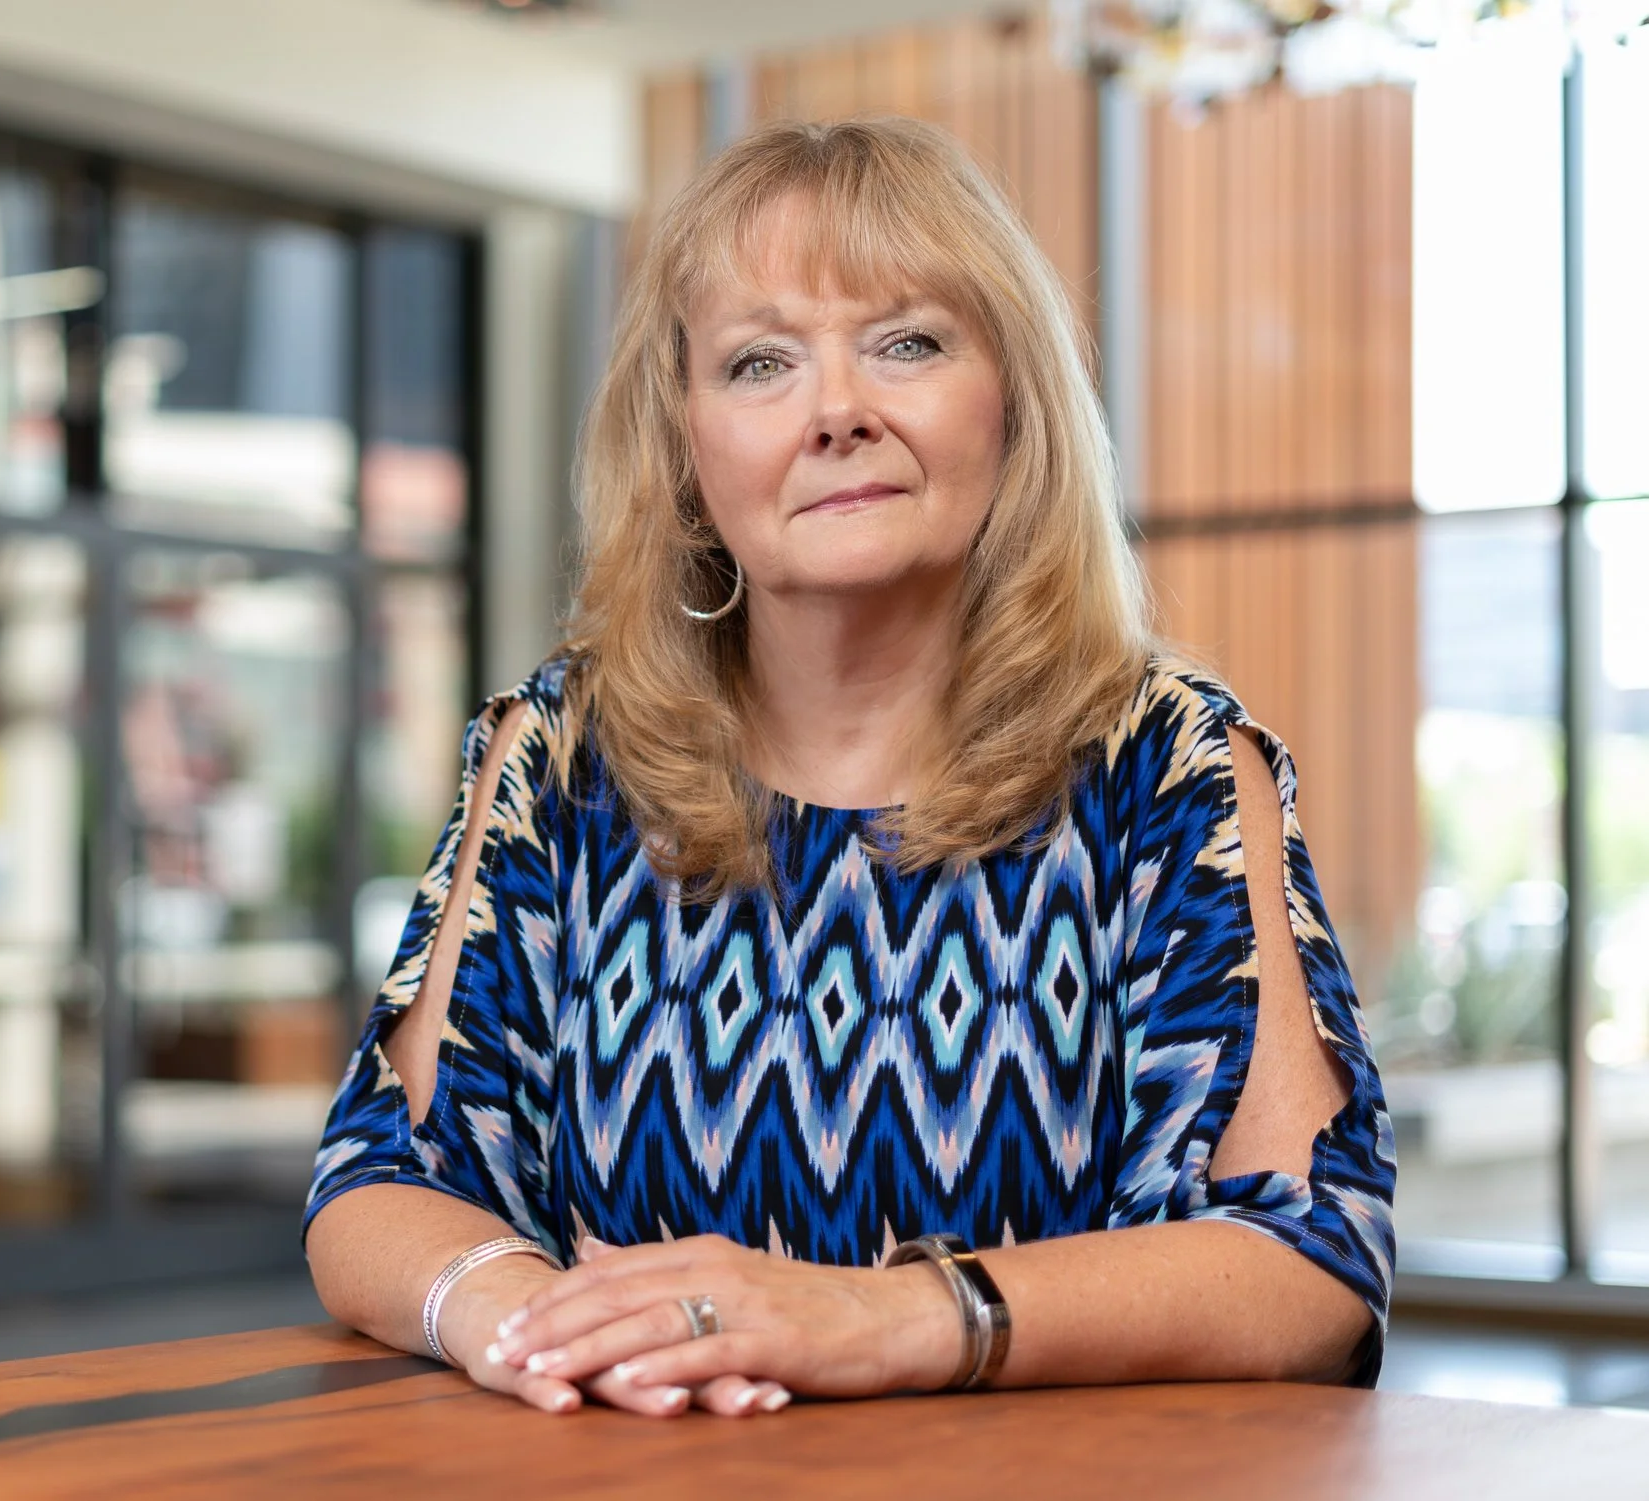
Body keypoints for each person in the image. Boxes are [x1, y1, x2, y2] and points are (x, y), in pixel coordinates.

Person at [302, 117, 1394, 1419]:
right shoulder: (562, 753)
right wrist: (533, 1322)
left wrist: (888, 1317)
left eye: (908, 343)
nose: (836, 413)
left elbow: (1306, 1257)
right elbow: (381, 1186)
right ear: (690, 458)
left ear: (1015, 405)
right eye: (760, 363)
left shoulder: (1163, 763)